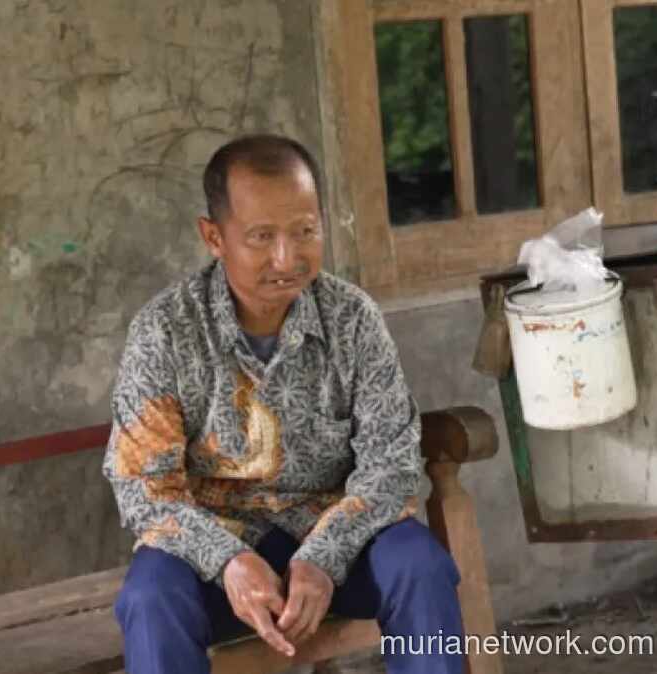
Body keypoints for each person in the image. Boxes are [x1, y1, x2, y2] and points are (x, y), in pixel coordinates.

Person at [103, 134, 464, 674]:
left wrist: (323, 557)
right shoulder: (166, 331)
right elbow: (143, 488)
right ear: (213, 237)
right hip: (217, 552)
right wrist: (228, 560)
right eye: (261, 236)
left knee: (420, 566)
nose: (286, 257)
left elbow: (390, 465)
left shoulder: (353, 319)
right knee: (151, 596)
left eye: (305, 232)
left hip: (335, 541)